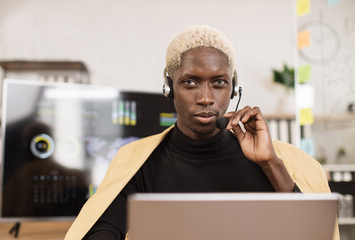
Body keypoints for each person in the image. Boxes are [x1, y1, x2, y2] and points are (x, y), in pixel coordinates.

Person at [65, 25, 339, 240]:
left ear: (233, 89)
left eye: (219, 83)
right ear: (169, 88)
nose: (206, 98)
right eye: (190, 82)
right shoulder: (138, 160)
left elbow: (311, 234)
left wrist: (270, 163)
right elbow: (101, 231)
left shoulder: (280, 162)